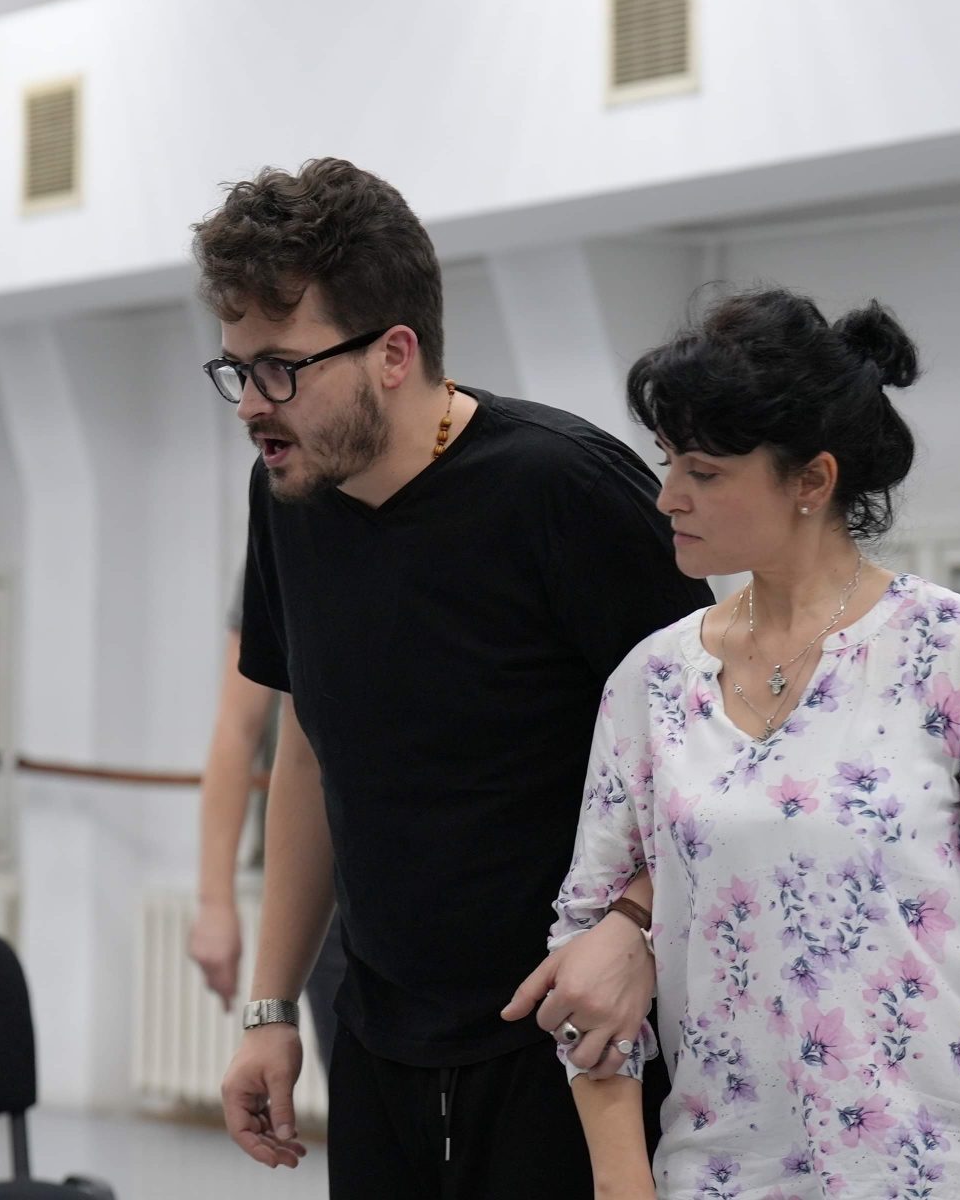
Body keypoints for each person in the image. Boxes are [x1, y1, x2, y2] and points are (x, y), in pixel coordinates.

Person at [193, 157, 713, 1199]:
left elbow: (720, 750)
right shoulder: (285, 499)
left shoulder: (564, 489)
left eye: (280, 369)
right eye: (236, 370)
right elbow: (310, 751)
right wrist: (269, 1008)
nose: (250, 406)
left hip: (568, 1042)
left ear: (393, 353)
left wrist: (633, 921)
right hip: (378, 1041)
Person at [548, 287, 960, 1200]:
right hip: (719, 1177)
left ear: (811, 483)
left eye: (703, 472)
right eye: (667, 463)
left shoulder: (958, 653)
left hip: (944, 1177)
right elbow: (585, 952)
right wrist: (623, 1186)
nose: (667, 497)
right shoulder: (650, 684)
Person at [188, 573, 345, 1074]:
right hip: (334, 889)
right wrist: (214, 902)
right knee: (357, 1092)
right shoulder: (285, 541)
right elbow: (239, 727)